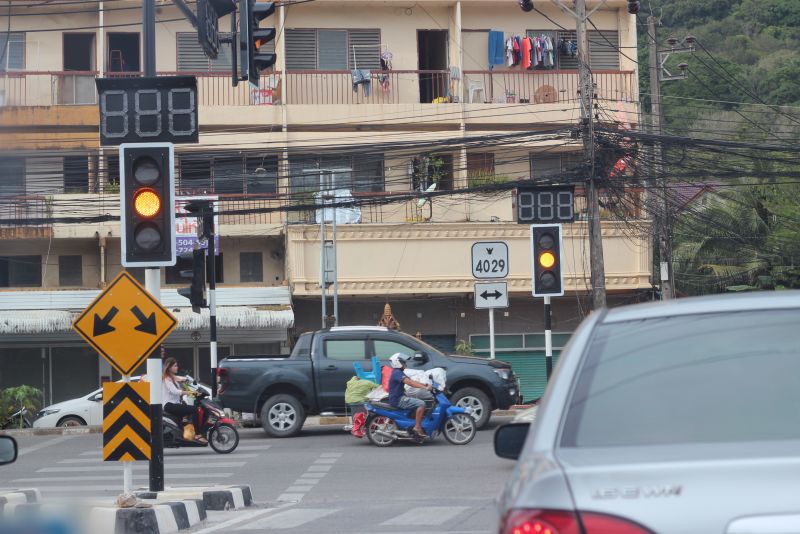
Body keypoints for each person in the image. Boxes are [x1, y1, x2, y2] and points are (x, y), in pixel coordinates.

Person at [387, 353, 433, 438]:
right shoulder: (397, 373)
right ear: (398, 362)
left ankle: (413, 423)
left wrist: (425, 384)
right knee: (421, 404)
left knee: (417, 400)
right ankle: (417, 427)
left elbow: (411, 380)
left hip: (399, 397)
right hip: (398, 399)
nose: (405, 364)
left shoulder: (399, 372)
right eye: (403, 362)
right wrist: (425, 388)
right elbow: (410, 383)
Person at [162, 357, 206, 444]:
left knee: (187, 416)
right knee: (194, 410)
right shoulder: (167, 379)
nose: (177, 367)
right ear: (169, 368)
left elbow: (182, 379)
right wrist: (190, 393)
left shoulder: (172, 377)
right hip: (169, 405)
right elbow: (175, 391)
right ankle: (197, 435)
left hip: (175, 404)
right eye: (175, 366)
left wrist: (192, 384)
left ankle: (186, 436)